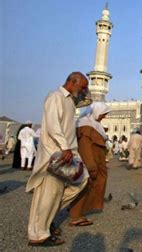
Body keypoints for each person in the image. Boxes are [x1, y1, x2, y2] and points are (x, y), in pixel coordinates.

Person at [26, 72, 90, 247]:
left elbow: (88, 101)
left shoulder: (71, 101)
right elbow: (53, 125)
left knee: (80, 181)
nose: (85, 90)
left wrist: (85, 90)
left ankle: (46, 220)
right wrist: (64, 147)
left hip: (67, 153)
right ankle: (39, 234)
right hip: (56, 153)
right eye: (83, 86)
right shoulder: (55, 96)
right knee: (48, 194)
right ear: (71, 82)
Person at [69, 102, 110, 226]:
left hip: (96, 161)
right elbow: (85, 147)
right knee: (84, 187)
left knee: (89, 186)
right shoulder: (86, 125)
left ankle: (78, 211)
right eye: (103, 114)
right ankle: (76, 216)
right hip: (90, 162)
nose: (104, 117)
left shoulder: (93, 125)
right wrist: (91, 165)